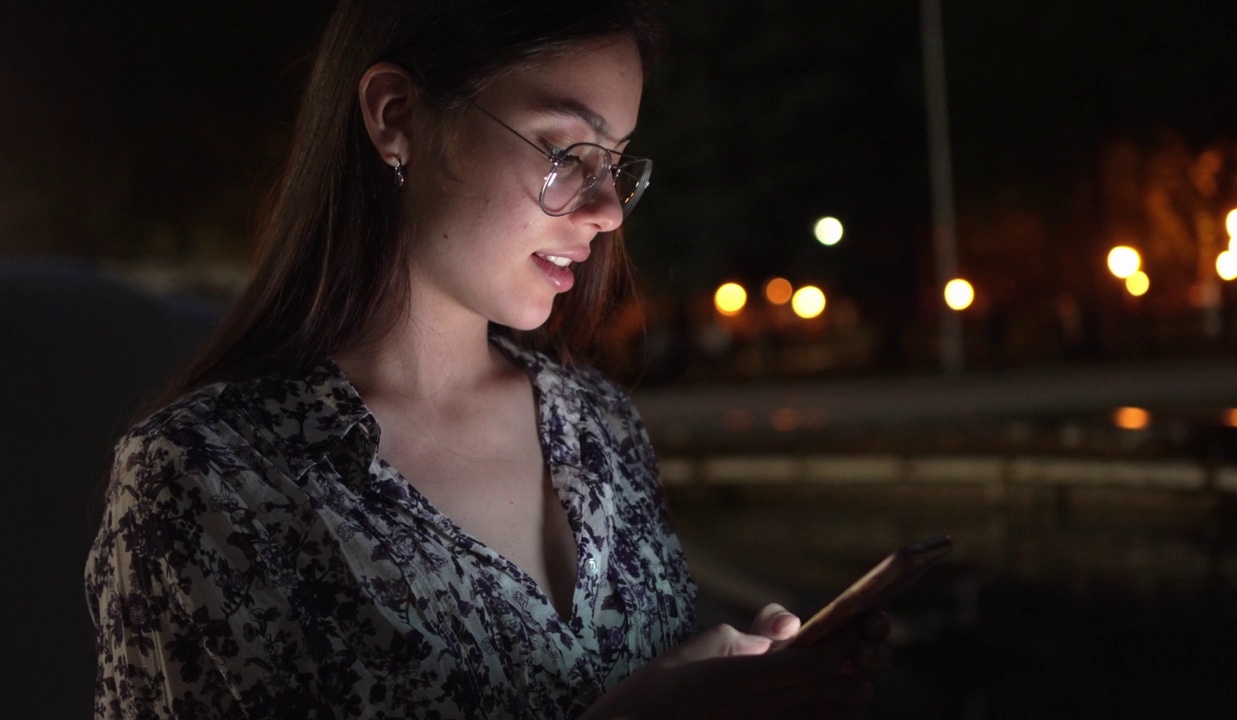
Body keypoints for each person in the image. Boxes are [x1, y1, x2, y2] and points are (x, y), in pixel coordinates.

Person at [85, 1, 891, 717]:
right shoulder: (208, 480)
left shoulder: (598, 425)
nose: (608, 211)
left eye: (614, 162)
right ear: (396, 115)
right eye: (565, 148)